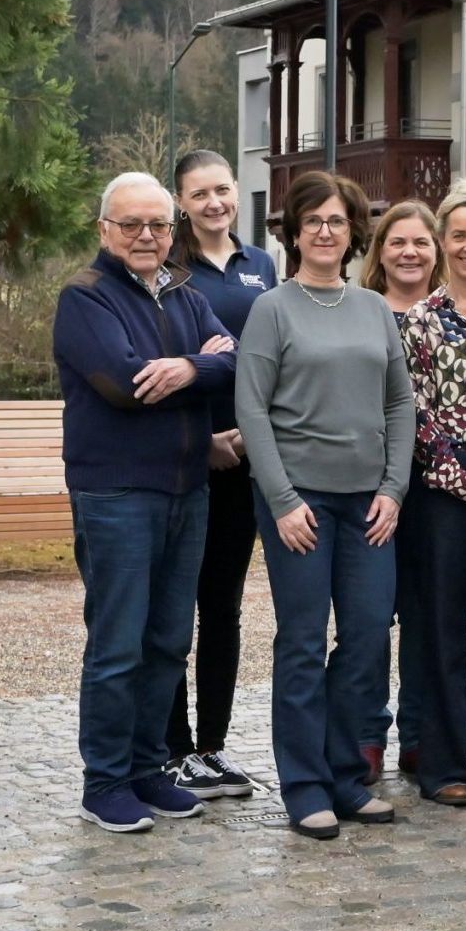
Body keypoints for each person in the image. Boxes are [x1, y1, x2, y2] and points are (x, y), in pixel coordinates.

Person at [53, 172, 238, 833]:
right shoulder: (84, 297)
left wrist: (189, 368)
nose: (146, 236)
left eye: (158, 224)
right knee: (117, 643)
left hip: (188, 488)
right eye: (131, 224)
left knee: (167, 639)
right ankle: (104, 780)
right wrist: (200, 363)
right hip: (117, 494)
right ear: (105, 229)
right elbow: (126, 384)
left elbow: (238, 359)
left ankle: (147, 767)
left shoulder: (185, 291)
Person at [235, 170, 415, 841]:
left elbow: (400, 401)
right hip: (299, 503)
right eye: (311, 220)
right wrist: (281, 499)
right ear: (293, 230)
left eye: (336, 220)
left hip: (370, 503)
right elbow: (251, 407)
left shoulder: (372, 308)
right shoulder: (273, 309)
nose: (324, 230)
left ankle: (346, 774)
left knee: (368, 638)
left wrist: (394, 488)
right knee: (304, 643)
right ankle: (305, 784)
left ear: (351, 231)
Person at [161, 149, 275, 803]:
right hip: (187, 459)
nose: (213, 202)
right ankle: (173, 749)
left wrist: (251, 438)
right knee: (177, 607)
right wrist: (203, 440)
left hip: (246, 463)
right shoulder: (167, 273)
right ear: (182, 200)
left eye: (222, 189)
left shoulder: (260, 266)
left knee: (223, 609)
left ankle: (213, 746)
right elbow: (164, 363)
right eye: (199, 193)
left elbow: (267, 361)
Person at [360, 200, 443, 784]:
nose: (409, 252)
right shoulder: (358, 312)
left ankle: (418, 736)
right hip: (367, 486)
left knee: (424, 617)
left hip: (436, 491)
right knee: (367, 618)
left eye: (420, 242)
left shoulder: (448, 313)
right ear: (379, 252)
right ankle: (366, 734)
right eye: (397, 243)